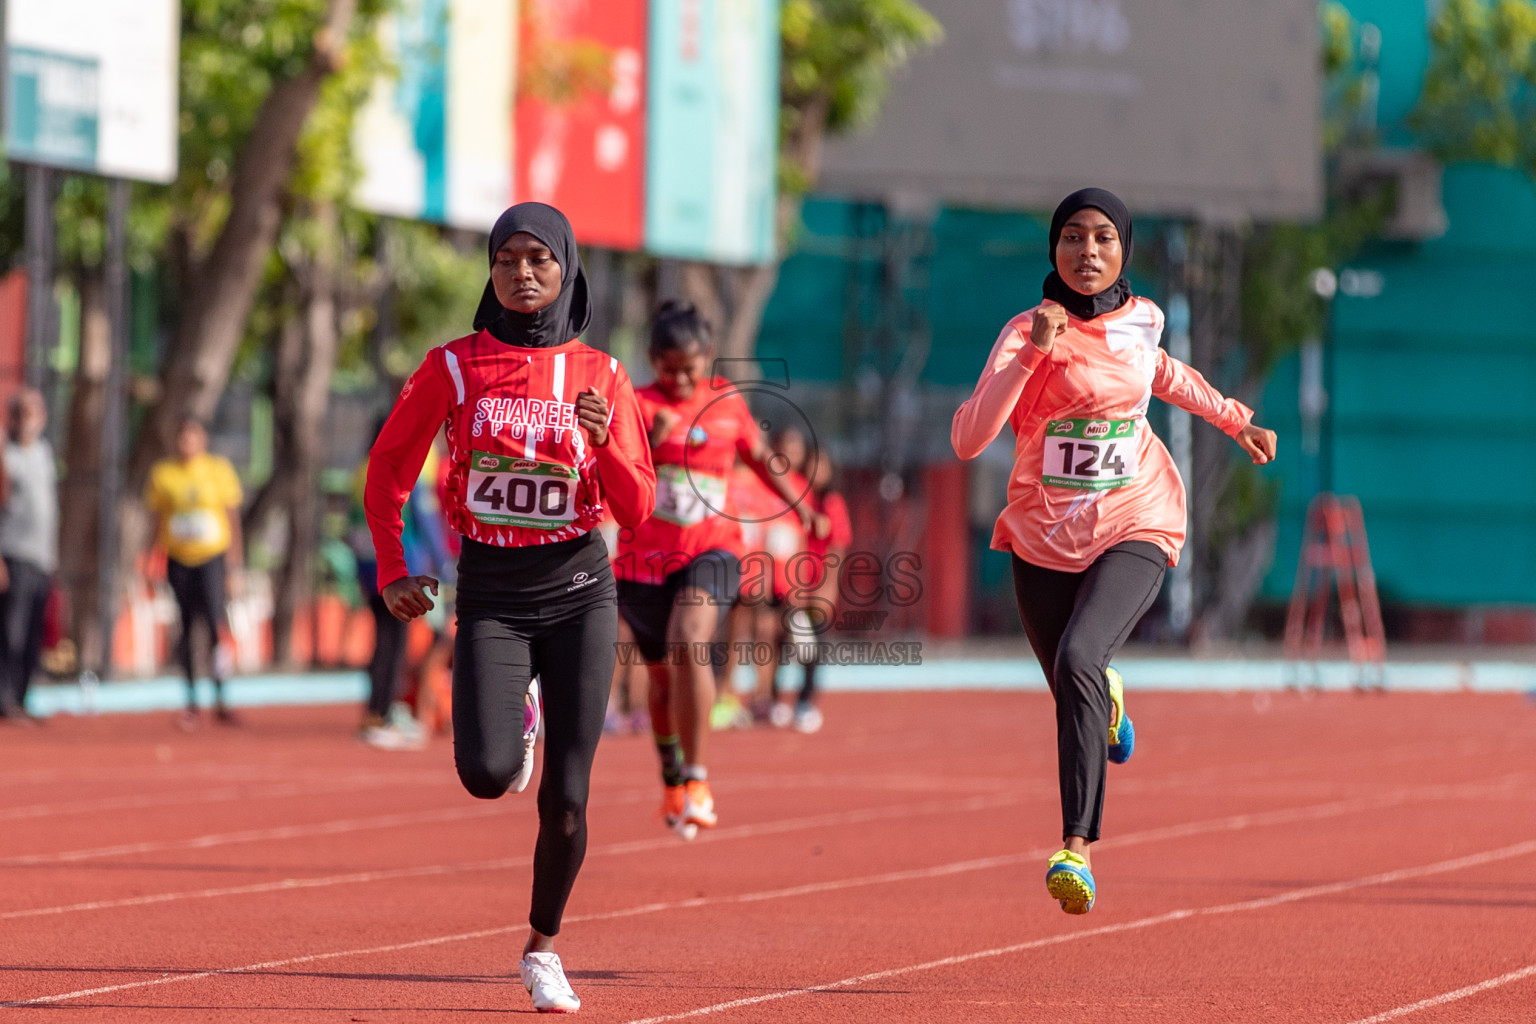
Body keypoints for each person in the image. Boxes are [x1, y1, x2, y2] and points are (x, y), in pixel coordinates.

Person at [951, 188, 1277, 915]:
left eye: (1103, 238)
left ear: (1123, 248)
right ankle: (1111, 702)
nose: (1087, 251)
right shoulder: (1023, 333)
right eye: (1072, 237)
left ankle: (1076, 847)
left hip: (1136, 518)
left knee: (1078, 661)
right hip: (1042, 535)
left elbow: (1161, 374)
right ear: (1054, 250)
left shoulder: (1145, 320)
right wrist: (1031, 355)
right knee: (1077, 684)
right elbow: (969, 439)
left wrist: (1235, 420)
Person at [365, 202, 655, 1013]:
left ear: (567, 270)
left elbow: (636, 508)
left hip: (579, 593)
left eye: (540, 259)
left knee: (566, 796)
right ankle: (515, 713)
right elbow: (388, 469)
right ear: (490, 272)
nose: (523, 273)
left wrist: (603, 444)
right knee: (488, 775)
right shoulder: (453, 367)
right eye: (507, 259)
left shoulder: (603, 376)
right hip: (491, 589)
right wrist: (395, 565)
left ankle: (543, 946)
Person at [612, 302, 823, 841]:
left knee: (691, 640)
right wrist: (650, 443)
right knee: (660, 680)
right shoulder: (635, 404)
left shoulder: (726, 403)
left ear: (708, 357)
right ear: (652, 362)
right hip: (643, 563)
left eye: (691, 367)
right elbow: (611, 479)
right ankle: (671, 780)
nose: (680, 379)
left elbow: (761, 458)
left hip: (712, 550)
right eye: (668, 368)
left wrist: (800, 505)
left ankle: (700, 779)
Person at [145, 417, 246, 729]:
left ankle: (221, 694)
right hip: (179, 560)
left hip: (211, 559)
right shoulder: (163, 474)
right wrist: (151, 560)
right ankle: (191, 699)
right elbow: (157, 520)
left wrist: (235, 565)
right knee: (187, 629)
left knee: (215, 625)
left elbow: (232, 519)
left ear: (202, 439)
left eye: (192, 437)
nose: (186, 443)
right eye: (181, 437)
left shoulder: (218, 470)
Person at [770, 449, 851, 734]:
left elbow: (837, 548)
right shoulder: (796, 498)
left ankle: (805, 703)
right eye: (812, 462)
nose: (817, 469)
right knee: (783, 643)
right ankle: (776, 699)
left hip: (817, 591)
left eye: (822, 463)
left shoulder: (832, 503)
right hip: (792, 587)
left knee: (811, 648)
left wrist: (827, 589)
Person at [0, 390, 57, 722]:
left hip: (41, 557)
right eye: (22, 413)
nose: (29, 420)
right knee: (11, 631)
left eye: (35, 412)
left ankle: (20, 699)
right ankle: (4, 699)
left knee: (33, 631)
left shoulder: (44, 452)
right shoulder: (6, 456)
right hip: (14, 555)